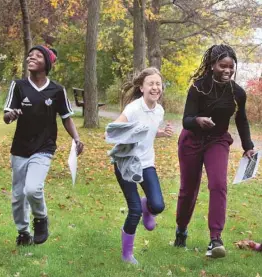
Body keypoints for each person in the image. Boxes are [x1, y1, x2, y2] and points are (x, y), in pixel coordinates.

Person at [174, 44, 256, 259]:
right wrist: (198, 120)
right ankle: (181, 229)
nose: (227, 70)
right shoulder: (198, 87)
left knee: (219, 185)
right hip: (192, 140)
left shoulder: (238, 93)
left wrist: (248, 146)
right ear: (212, 65)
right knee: (188, 190)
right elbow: (186, 120)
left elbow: (241, 119)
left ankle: (215, 239)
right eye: (223, 66)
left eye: (231, 66)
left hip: (217, 141)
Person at [3, 45, 84, 246]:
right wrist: (11, 115)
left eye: (37, 56)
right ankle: (23, 232)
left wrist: (76, 138)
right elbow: (6, 116)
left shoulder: (57, 90)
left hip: (44, 146)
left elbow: (66, 118)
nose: (31, 57)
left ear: (46, 64)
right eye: (30, 55)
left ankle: (40, 218)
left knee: (32, 189)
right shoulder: (19, 86)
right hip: (20, 147)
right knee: (18, 196)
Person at [109, 67, 173, 264]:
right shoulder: (133, 109)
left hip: (146, 164)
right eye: (150, 84)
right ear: (142, 87)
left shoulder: (159, 110)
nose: (155, 87)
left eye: (158, 84)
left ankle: (148, 206)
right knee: (134, 210)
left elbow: (149, 131)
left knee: (158, 206)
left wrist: (161, 133)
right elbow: (111, 131)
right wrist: (131, 132)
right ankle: (127, 255)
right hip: (126, 164)